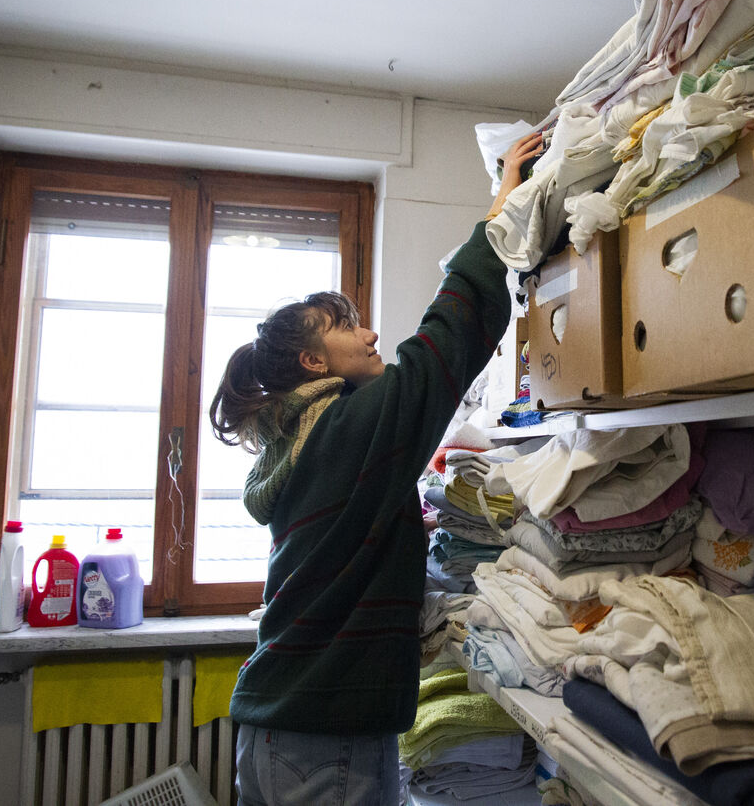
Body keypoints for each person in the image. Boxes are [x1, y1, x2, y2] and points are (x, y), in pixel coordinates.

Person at [210, 130, 545, 806]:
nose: (368, 334)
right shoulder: (343, 431)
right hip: (321, 732)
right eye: (345, 326)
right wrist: (502, 207)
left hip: (290, 726)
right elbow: (442, 343)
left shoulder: (306, 440)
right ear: (313, 362)